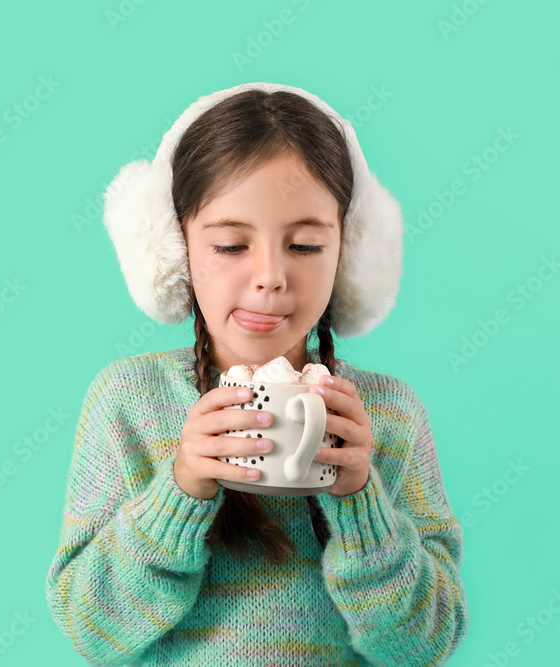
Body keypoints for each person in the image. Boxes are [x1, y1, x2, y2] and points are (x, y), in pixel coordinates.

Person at [44, 82, 469, 666]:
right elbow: (91, 632)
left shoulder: (389, 415)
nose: (270, 276)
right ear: (174, 250)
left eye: (304, 245)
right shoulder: (128, 402)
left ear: (350, 253)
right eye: (229, 245)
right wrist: (181, 490)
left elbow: (424, 647)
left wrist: (359, 501)